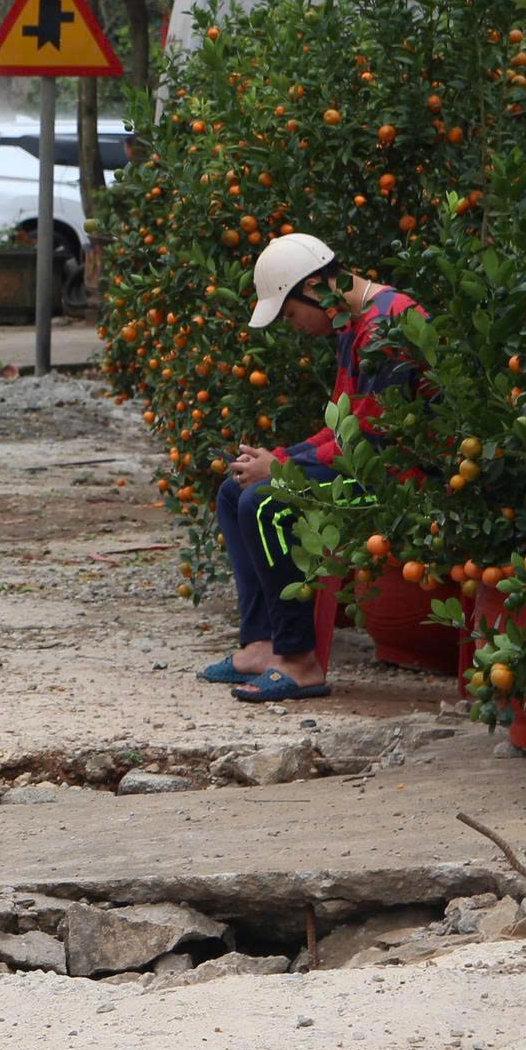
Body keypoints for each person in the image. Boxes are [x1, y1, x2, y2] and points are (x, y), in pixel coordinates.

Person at [200, 232, 427, 703]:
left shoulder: (388, 324)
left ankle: (299, 661)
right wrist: (276, 458)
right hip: (369, 465)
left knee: (266, 503)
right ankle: (260, 644)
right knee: (233, 491)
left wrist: (279, 468)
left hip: (404, 482)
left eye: (289, 312)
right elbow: (342, 426)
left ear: (315, 286)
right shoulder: (353, 324)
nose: (293, 324)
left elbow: (374, 441)